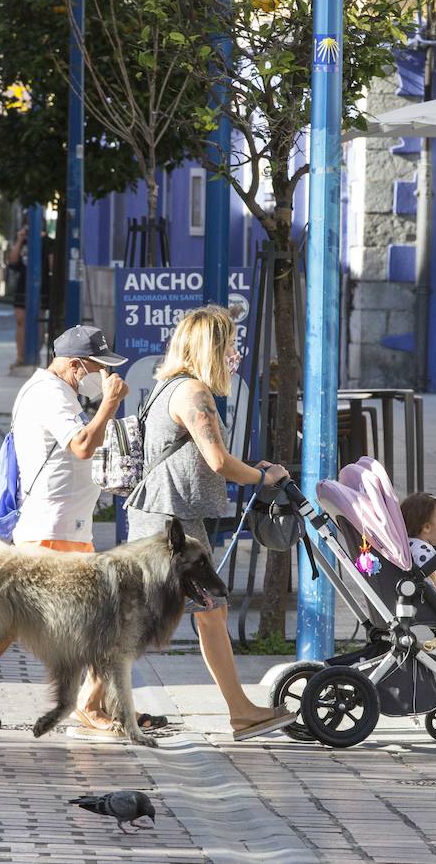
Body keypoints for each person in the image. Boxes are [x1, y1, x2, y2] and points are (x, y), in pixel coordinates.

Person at [0, 325, 155, 733]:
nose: (102, 377)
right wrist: (110, 405)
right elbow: (81, 445)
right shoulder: (49, 394)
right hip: (51, 529)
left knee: (75, 621)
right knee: (96, 619)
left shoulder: (59, 392)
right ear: (76, 365)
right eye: (98, 368)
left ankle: (97, 703)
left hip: (66, 527)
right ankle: (91, 706)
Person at [125, 305, 298, 742]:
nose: (233, 354)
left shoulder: (168, 387)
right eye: (229, 345)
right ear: (210, 347)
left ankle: (240, 710)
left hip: (171, 518)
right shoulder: (193, 393)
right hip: (170, 525)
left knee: (210, 612)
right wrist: (264, 477)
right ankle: (92, 702)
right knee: (144, 619)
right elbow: (218, 461)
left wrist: (251, 469)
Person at [6, 225, 28, 368]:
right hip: (23, 287)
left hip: (41, 287)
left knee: (37, 322)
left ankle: (32, 353)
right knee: (20, 321)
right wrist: (20, 240)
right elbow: (12, 261)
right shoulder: (23, 244)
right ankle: (20, 356)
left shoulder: (46, 243)